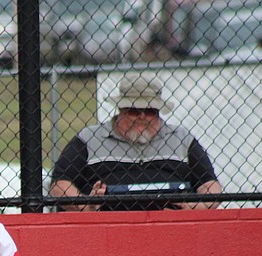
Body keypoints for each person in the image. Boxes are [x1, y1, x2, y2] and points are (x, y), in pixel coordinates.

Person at [50, 73, 222, 211]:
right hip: (106, 226)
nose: (141, 117)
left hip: (170, 225)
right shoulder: (90, 138)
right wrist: (87, 205)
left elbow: (211, 185)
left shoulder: (181, 138)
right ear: (120, 109)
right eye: (133, 110)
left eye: (149, 111)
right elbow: (59, 185)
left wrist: (198, 206)